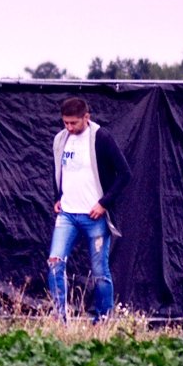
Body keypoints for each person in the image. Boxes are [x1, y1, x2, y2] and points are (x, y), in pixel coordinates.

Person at [48, 97, 131, 323]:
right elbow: (59, 169)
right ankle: (59, 318)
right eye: (65, 123)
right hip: (67, 214)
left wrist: (104, 203)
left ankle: (103, 320)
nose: (69, 127)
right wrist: (58, 197)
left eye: (74, 123)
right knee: (55, 261)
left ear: (87, 117)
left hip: (94, 216)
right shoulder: (60, 139)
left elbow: (125, 174)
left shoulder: (101, 138)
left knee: (99, 271)